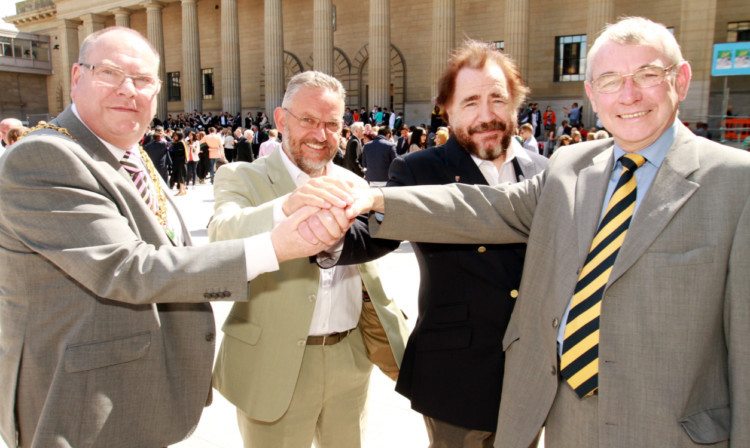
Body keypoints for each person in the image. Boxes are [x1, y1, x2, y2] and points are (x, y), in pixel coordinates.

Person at [339, 16, 750, 448]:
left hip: (670, 429)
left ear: (680, 80)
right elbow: (486, 206)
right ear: (592, 92)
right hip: (566, 420)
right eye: (610, 80)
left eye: (647, 75)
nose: (629, 94)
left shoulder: (736, 185)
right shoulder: (573, 166)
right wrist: (377, 200)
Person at [0, 26, 340, 448]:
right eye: (110, 73)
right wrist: (274, 246)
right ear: (75, 77)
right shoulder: (44, 155)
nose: (128, 90)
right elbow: (128, 267)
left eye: (143, 80)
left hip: (136, 394)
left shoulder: (129, 151)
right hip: (80, 405)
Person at [208, 71, 409, 448]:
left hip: (349, 359)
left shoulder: (354, 185)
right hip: (273, 364)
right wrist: (286, 207)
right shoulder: (241, 177)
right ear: (282, 119)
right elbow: (222, 236)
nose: (320, 134)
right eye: (308, 121)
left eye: (331, 124)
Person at [382, 40, 547, 448]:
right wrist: (324, 234)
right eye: (471, 102)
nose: (487, 115)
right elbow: (371, 235)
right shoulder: (418, 169)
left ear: (516, 104)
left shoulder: (545, 171)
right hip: (456, 375)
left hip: (530, 376)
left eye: (498, 99)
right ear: (447, 109)